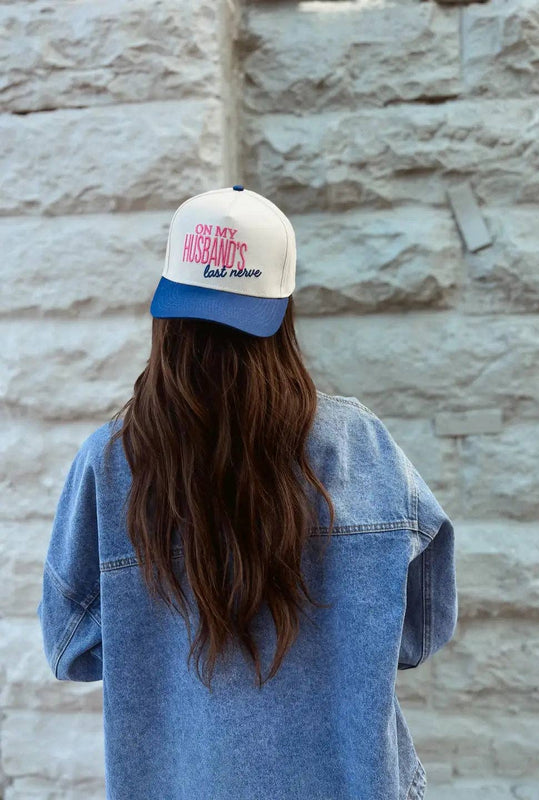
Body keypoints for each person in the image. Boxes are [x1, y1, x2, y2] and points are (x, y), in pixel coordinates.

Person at [37, 185, 457, 800]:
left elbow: (69, 647)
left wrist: (166, 652)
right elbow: (420, 630)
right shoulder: (360, 446)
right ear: (281, 312)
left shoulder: (111, 463)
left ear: (167, 313)